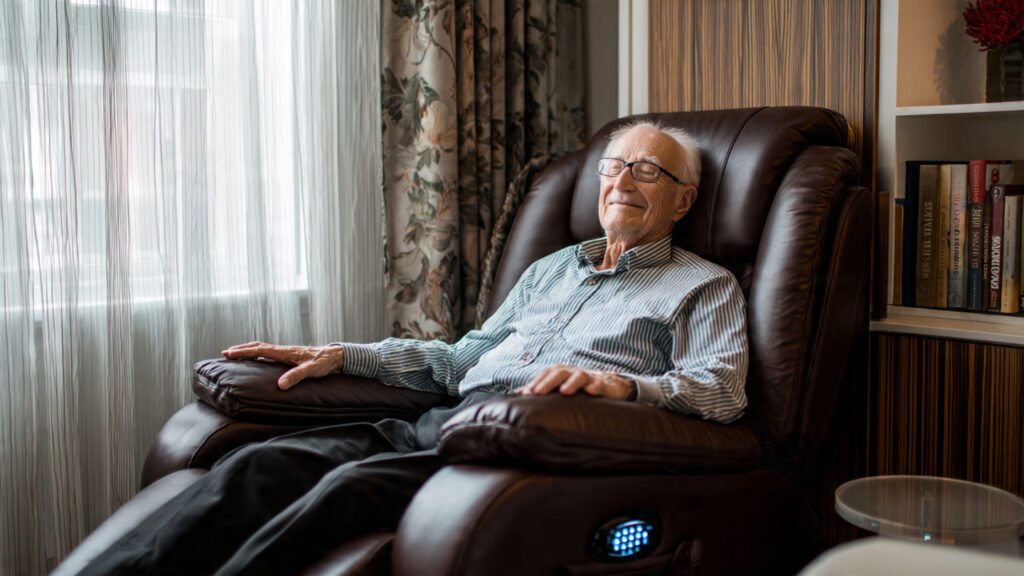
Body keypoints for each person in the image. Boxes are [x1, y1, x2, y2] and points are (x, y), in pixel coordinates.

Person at [79, 121, 748, 575]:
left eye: (648, 170)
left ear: (686, 198)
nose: (622, 180)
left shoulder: (702, 285)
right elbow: (463, 357)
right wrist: (344, 354)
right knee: (260, 465)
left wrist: (622, 388)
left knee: (346, 488)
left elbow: (721, 392)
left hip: (522, 444)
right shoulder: (553, 267)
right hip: (439, 420)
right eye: (613, 166)